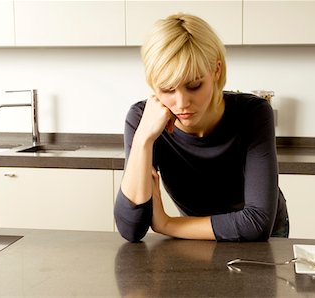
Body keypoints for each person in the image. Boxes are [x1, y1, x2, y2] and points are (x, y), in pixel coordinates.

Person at [115, 13, 289, 242]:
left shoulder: (253, 113)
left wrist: (166, 224)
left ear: (216, 70)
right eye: (167, 89)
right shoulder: (142, 119)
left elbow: (256, 223)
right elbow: (131, 230)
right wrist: (142, 140)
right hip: (197, 234)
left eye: (194, 85)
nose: (181, 103)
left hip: (261, 240)